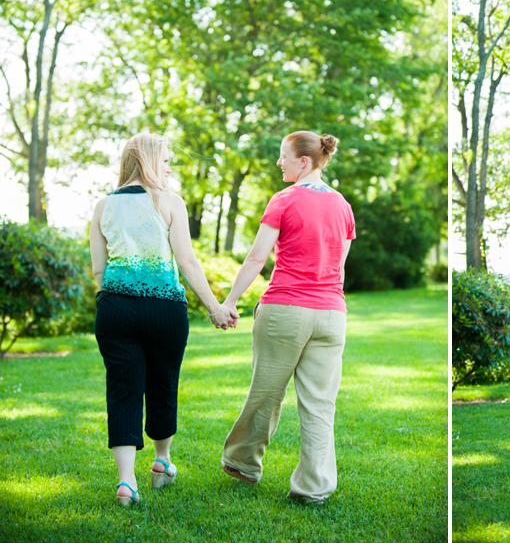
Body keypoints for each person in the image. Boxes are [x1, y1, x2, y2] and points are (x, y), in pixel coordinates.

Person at [90, 132, 239, 507]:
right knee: (162, 383)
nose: (170, 167)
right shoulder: (169, 201)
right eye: (166, 159)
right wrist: (214, 307)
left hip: (115, 308)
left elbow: (98, 270)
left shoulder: (102, 205)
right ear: (148, 160)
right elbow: (186, 262)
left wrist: (114, 299)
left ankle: (126, 483)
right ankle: (161, 462)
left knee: (122, 389)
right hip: (164, 309)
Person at [219, 131, 355, 505]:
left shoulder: (285, 199)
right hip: (331, 314)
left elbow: (255, 258)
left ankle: (243, 463)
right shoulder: (343, 206)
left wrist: (230, 301)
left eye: (283, 156)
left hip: (285, 310)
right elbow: (338, 267)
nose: (279, 162)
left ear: (304, 162)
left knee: (266, 391)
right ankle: (314, 488)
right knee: (320, 403)